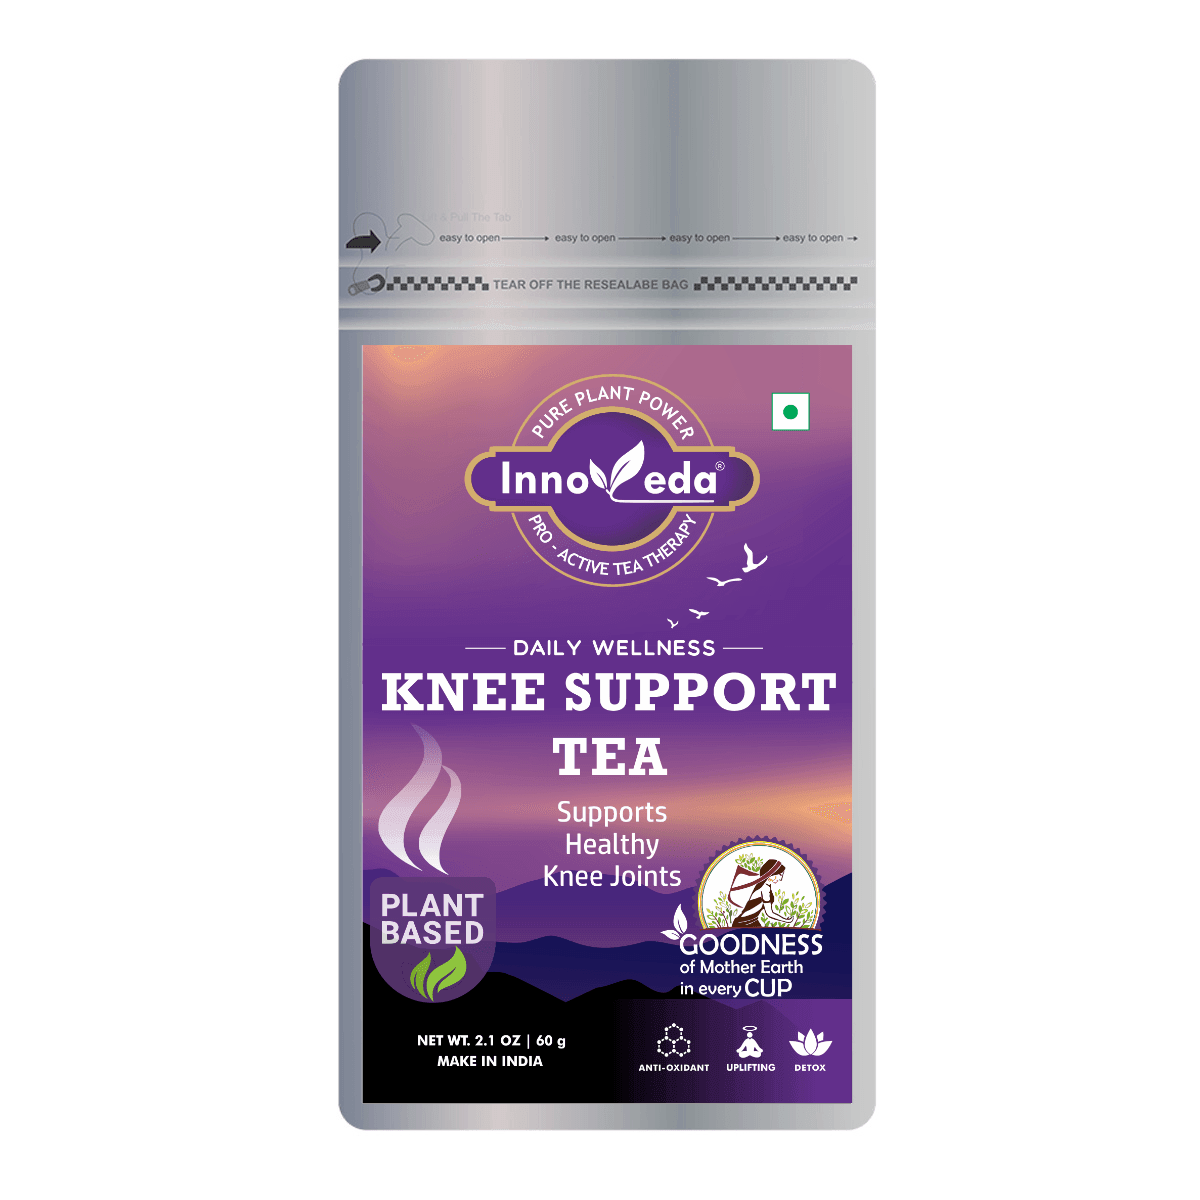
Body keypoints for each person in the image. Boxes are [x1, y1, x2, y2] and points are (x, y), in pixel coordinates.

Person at [729, 858, 786, 928]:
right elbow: (769, 913)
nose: (781, 878)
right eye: (780, 874)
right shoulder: (765, 888)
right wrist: (786, 920)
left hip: (752, 921)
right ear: (772, 872)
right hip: (744, 923)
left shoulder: (763, 886)